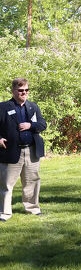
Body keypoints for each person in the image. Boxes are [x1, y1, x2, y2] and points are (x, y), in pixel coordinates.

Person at [0, 78, 47, 221]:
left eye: (26, 90)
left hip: (31, 151)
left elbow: (42, 124)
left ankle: (32, 208)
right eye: (21, 90)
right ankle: (4, 213)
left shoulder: (33, 107)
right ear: (13, 91)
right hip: (10, 151)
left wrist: (30, 126)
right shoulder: (3, 107)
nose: (24, 93)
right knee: (6, 184)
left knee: (32, 181)